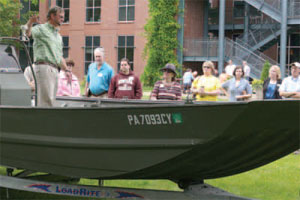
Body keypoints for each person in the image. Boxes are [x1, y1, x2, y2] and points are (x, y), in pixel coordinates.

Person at [25, 6, 67, 107]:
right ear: (52, 16)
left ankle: (48, 121)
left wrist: (66, 70)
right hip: (44, 67)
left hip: (55, 69)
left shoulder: (58, 36)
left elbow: (59, 56)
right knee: (45, 101)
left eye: (63, 17)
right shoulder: (41, 29)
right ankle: (42, 122)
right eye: (60, 17)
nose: (63, 19)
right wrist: (30, 22)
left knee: (51, 101)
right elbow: (27, 33)